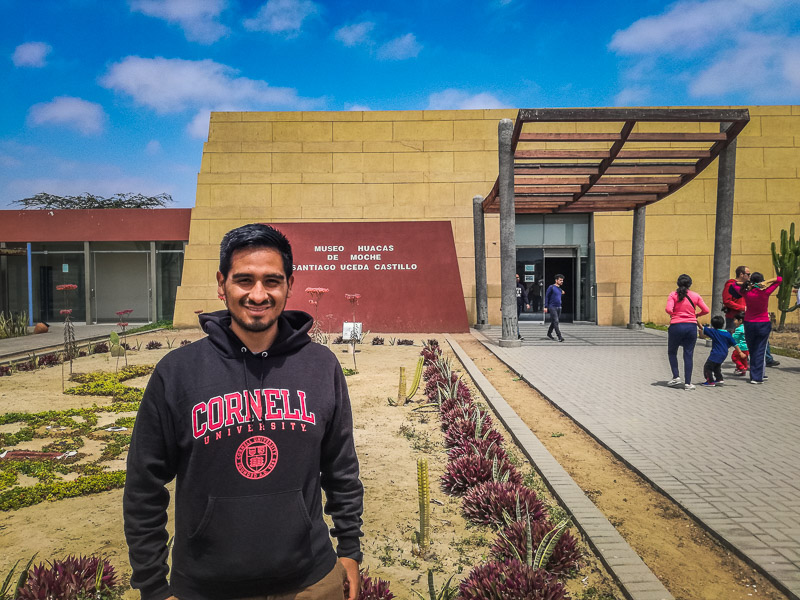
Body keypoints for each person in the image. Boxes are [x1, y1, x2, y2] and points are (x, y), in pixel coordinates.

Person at [123, 224, 364, 600]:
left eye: (272, 281)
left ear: (289, 284)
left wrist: (349, 549)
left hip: (310, 580)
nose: (258, 294)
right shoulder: (178, 372)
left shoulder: (321, 366)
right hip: (207, 587)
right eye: (244, 280)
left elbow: (341, 467)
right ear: (222, 284)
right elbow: (143, 486)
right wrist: (153, 586)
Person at [729, 271, 782, 384]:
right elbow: (779, 279)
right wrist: (767, 282)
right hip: (763, 323)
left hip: (749, 324)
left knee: (752, 350)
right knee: (760, 350)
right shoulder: (765, 292)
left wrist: (749, 284)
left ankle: (755, 375)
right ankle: (757, 377)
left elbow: (733, 284)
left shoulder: (746, 292)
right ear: (761, 281)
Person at [665, 274, 709, 390]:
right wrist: (696, 315)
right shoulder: (695, 295)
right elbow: (706, 310)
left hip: (676, 326)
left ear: (678, 284)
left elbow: (668, 309)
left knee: (672, 352)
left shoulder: (673, 295)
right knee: (688, 354)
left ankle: (676, 377)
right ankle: (688, 383)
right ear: (690, 284)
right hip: (691, 326)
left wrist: (674, 314)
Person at [697, 315, 736, 387]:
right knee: (717, 366)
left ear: (713, 325)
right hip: (724, 353)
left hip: (715, 353)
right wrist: (740, 352)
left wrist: (696, 319)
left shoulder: (714, 332)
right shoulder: (727, 333)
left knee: (708, 367)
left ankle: (710, 381)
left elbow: (701, 327)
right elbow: (734, 343)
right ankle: (719, 379)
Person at [722, 265, 748, 332]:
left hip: (745, 316)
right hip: (733, 317)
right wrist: (742, 308)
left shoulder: (746, 285)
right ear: (741, 274)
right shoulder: (730, 285)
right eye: (748, 274)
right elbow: (727, 301)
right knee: (732, 337)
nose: (749, 276)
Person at [544, 274, 565, 342]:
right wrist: (545, 306)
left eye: (562, 280)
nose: (562, 281)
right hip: (552, 307)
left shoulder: (559, 289)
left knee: (554, 321)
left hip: (559, 307)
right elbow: (547, 296)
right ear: (556, 280)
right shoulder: (551, 287)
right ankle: (559, 336)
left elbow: (561, 293)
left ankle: (549, 333)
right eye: (560, 280)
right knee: (556, 321)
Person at [515, 273, 530, 340]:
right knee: (515, 320)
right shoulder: (509, 287)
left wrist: (527, 303)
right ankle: (517, 334)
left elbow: (524, 296)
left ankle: (517, 334)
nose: (517, 279)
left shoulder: (521, 286)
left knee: (516, 320)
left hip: (519, 306)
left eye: (518, 277)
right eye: (516, 277)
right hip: (512, 307)